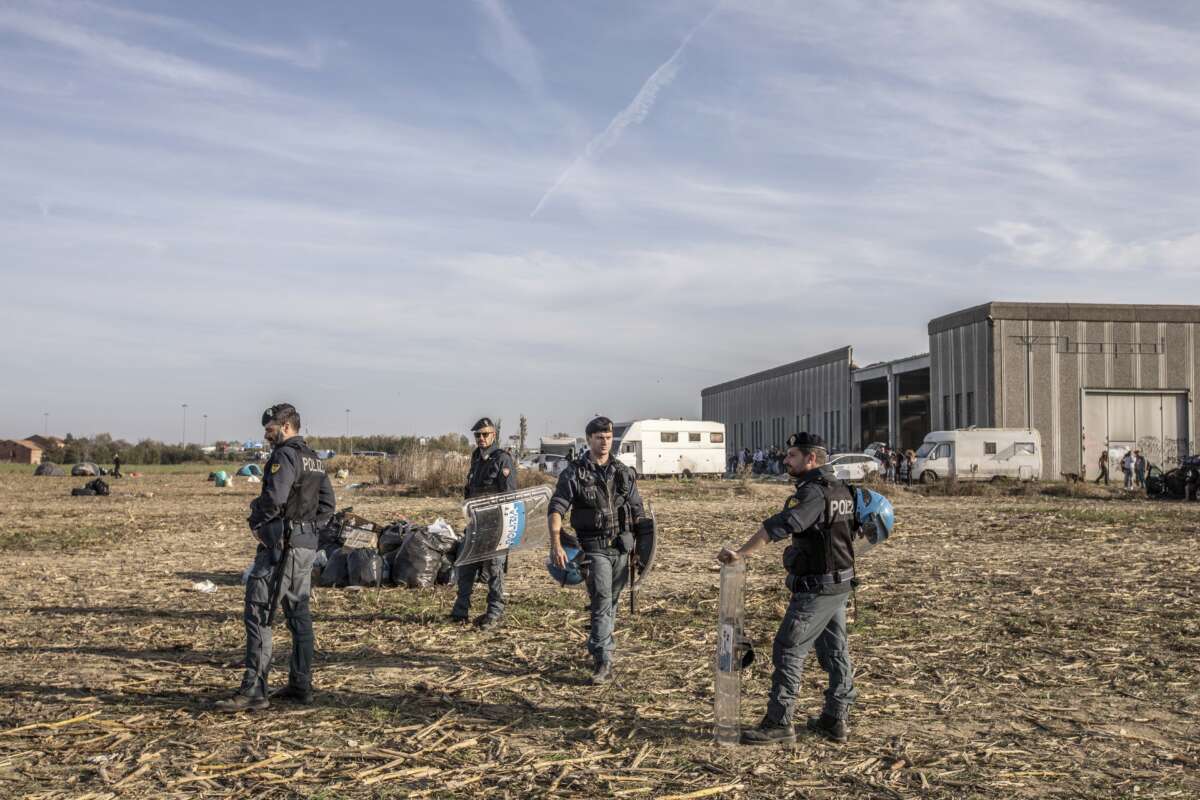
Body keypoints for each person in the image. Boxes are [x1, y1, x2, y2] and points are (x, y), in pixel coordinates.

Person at [717, 432, 857, 745]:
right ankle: (836, 718)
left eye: (792, 455)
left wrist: (741, 553)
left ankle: (779, 722)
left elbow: (779, 526)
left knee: (788, 648)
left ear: (811, 459)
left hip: (817, 589)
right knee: (835, 651)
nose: (786, 459)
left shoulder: (814, 493)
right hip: (839, 584)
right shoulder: (842, 489)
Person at [217, 403, 334, 712]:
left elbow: (274, 498)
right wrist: (308, 531)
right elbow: (328, 506)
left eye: (269, 430)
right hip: (305, 548)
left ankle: (255, 690)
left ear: (285, 427)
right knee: (299, 615)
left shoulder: (285, 456)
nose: (266, 435)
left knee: (259, 610)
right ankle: (301, 685)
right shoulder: (314, 459)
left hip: (281, 549)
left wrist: (257, 522)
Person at [549, 416, 647, 685]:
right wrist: (556, 542)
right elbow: (557, 508)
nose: (605, 442)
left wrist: (641, 548)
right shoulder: (575, 473)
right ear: (589, 439)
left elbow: (637, 511)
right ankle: (604, 659)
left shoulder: (622, 472)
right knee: (602, 599)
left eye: (608, 437)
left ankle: (600, 644)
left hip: (622, 548)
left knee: (611, 601)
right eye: (599, 437)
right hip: (593, 549)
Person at [451, 418, 517, 630]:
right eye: (478, 435)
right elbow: (470, 491)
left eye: (485, 434)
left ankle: (494, 613)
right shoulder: (476, 458)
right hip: (476, 522)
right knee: (465, 565)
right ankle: (460, 611)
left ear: (493, 435)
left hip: (496, 524)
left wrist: (505, 528)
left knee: (495, 569)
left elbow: (509, 495)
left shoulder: (502, 459)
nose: (481, 438)